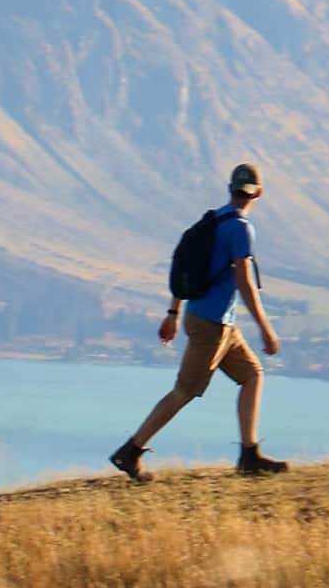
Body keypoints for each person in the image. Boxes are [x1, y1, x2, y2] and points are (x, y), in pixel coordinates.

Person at [110, 163, 289, 482]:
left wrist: (173, 312)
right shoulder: (241, 229)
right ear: (258, 193)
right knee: (184, 391)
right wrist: (265, 328)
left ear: (230, 188)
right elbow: (245, 283)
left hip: (211, 320)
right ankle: (130, 452)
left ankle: (249, 455)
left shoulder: (213, 221)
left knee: (251, 375)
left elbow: (187, 269)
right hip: (212, 325)